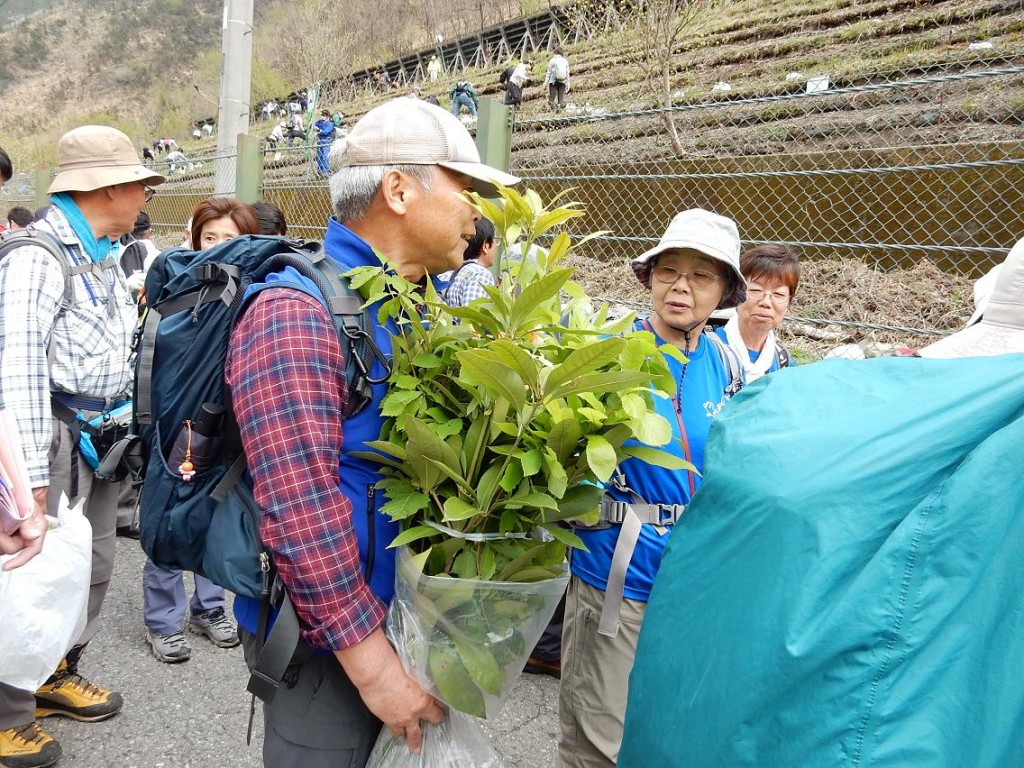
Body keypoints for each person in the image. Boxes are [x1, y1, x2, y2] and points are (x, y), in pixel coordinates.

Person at [224, 97, 518, 768]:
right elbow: (298, 508)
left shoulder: (412, 308)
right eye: (465, 189)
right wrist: (375, 668)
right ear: (398, 191)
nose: (477, 212)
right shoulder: (294, 313)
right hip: (330, 644)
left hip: (407, 626)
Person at [0, 125, 164, 768]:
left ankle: (55, 672)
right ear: (109, 187)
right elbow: (18, 371)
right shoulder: (39, 257)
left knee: (89, 566)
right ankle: (9, 708)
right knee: (31, 578)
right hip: (54, 440)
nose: (145, 196)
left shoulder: (99, 253)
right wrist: (30, 481)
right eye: (140, 184)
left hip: (102, 439)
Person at [559, 209, 747, 768]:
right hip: (619, 574)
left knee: (668, 723)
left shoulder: (726, 364)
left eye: (701, 276)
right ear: (649, 277)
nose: (681, 287)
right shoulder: (613, 352)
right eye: (668, 271)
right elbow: (570, 454)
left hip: (691, 580)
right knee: (599, 736)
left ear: (724, 291)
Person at [141, 197, 258, 664]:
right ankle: (163, 621)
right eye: (210, 239)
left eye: (230, 239)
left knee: (213, 504)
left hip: (225, 414)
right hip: (178, 416)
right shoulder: (178, 287)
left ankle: (209, 608)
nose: (218, 248)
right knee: (170, 504)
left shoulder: (254, 285)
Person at [714, 244, 799, 382]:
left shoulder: (783, 363)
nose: (766, 302)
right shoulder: (708, 350)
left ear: (788, 302)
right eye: (755, 290)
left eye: (778, 294)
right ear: (736, 294)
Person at [442, 217, 497, 307]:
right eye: (496, 241)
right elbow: (473, 317)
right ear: (486, 245)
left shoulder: (445, 272)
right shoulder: (480, 274)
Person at [545, 47, 571, 111]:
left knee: (551, 100)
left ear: (555, 53)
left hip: (553, 81)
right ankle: (561, 109)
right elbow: (567, 73)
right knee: (561, 100)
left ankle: (554, 111)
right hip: (563, 81)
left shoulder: (552, 60)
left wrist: (545, 82)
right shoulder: (565, 61)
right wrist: (568, 84)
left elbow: (549, 72)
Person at [314, 110, 336, 177]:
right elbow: (314, 125)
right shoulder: (319, 122)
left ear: (328, 117)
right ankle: (320, 171)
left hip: (326, 141)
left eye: (324, 115)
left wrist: (318, 130)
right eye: (322, 115)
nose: (322, 116)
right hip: (319, 141)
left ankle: (326, 171)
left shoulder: (330, 124)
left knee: (325, 156)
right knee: (319, 156)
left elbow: (325, 132)